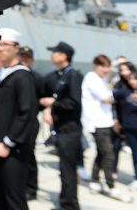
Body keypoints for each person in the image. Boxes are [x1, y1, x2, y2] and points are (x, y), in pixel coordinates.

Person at [0, 28, 36, 210]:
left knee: (11, 199)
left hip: (11, 149)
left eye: (4, 45)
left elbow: (27, 113)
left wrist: (8, 142)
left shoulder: (22, 77)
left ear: (16, 48)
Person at [81, 55, 131, 201]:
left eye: (107, 66)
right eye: (102, 66)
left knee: (102, 153)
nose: (105, 69)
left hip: (105, 121)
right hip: (97, 123)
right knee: (109, 154)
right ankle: (111, 187)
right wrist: (125, 94)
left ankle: (95, 181)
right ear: (95, 65)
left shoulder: (103, 80)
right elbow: (106, 98)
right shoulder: (92, 77)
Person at [40, 41, 82, 210]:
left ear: (63, 56)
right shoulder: (61, 74)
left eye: (55, 52)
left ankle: (69, 205)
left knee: (67, 169)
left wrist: (54, 103)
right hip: (62, 127)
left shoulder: (72, 76)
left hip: (69, 129)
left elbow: (74, 102)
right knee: (65, 168)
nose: (52, 55)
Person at [17, 46, 45, 201]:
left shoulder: (38, 79)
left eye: (27, 57)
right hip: (16, 121)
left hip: (31, 122)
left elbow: (43, 98)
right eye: (21, 56)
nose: (24, 60)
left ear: (32, 60)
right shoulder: (13, 75)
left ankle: (31, 189)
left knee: (29, 156)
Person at [114, 71, 137, 195]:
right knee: (136, 156)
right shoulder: (126, 92)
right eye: (131, 79)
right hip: (130, 129)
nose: (133, 82)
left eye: (136, 79)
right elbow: (109, 96)